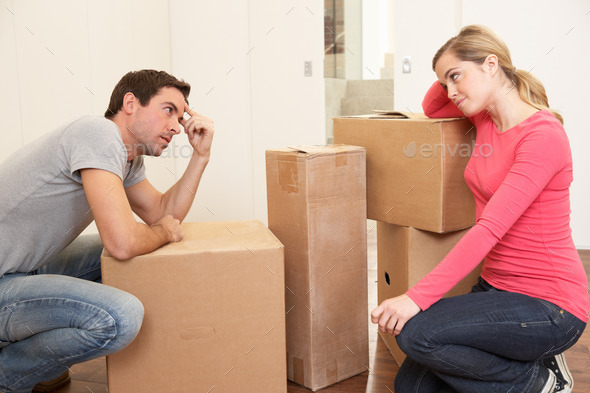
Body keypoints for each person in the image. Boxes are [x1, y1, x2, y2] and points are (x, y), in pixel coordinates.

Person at [371, 25, 588, 393]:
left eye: (456, 77)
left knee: (417, 336)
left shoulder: (542, 136)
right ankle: (518, 360)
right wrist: (449, 64)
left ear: (491, 64)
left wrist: (415, 297)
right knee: (412, 386)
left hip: (550, 306)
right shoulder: (485, 119)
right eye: (444, 82)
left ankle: (541, 382)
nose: (450, 92)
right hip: (495, 289)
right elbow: (431, 106)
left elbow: (489, 229)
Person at [0, 69, 214, 393]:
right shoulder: (97, 134)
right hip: (6, 279)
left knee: (138, 253)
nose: (176, 127)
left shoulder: (127, 159)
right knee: (121, 316)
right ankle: (10, 374)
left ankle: (33, 361)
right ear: (131, 103)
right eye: (169, 110)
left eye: (182, 117)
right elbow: (124, 243)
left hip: (20, 270)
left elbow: (161, 214)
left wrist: (201, 155)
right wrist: (162, 232)